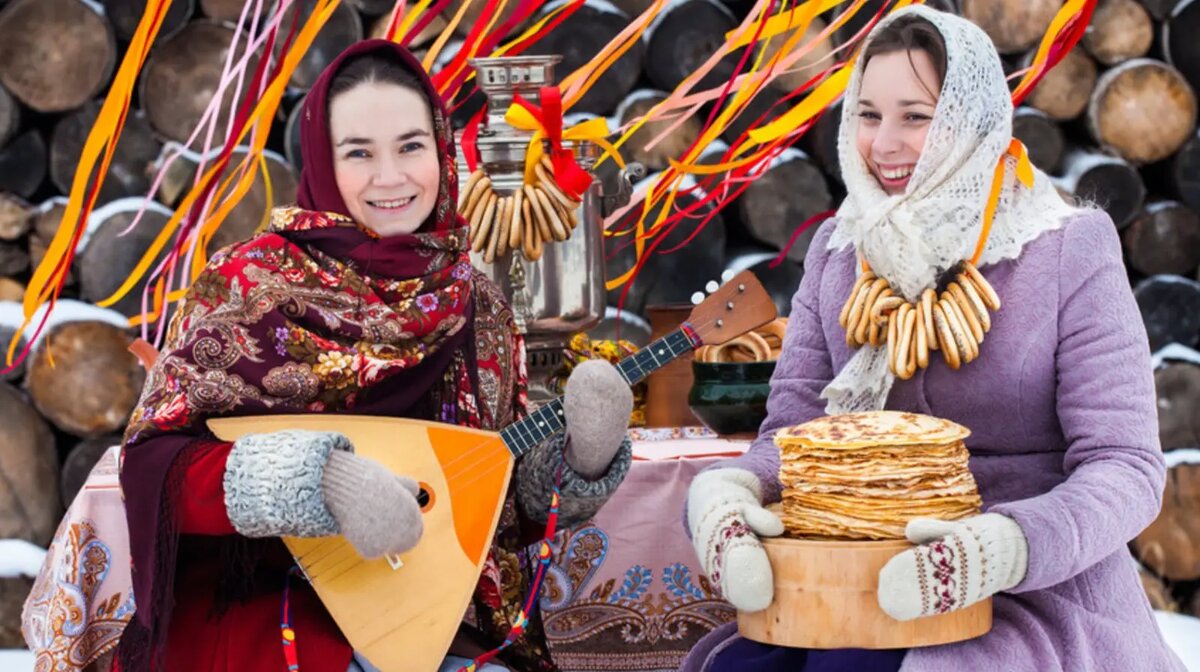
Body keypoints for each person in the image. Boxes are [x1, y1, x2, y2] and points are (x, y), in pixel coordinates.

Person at [680, 6, 1186, 672]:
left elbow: (1126, 467)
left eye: (915, 117)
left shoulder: (1065, 248)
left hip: (1031, 590)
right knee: (738, 668)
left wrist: (1007, 544)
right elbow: (795, 437)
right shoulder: (841, 248)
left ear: (968, 120)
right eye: (867, 114)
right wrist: (734, 491)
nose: (883, 144)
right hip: (853, 573)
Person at [112, 39, 634, 672]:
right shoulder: (250, 283)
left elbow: (476, 503)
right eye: (359, 153)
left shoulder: (478, 303)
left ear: (441, 151)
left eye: (411, 146)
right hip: (266, 618)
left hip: (420, 615)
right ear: (323, 163)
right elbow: (155, 467)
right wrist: (317, 482)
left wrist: (580, 461)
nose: (391, 177)